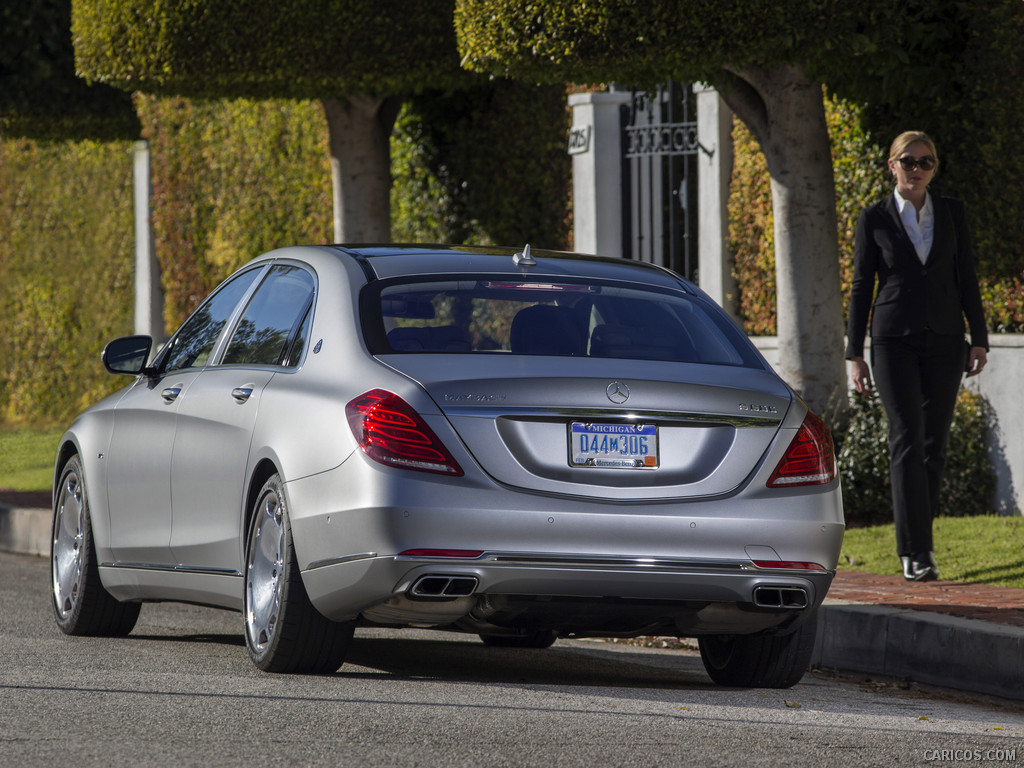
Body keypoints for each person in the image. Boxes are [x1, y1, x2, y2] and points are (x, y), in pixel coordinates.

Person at [845, 130, 988, 582]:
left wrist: (979, 337)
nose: (918, 169)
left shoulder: (951, 212)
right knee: (906, 437)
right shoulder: (874, 219)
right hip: (893, 342)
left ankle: (920, 544)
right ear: (893, 165)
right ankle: (915, 551)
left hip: (946, 339)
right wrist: (854, 352)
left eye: (926, 162)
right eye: (909, 161)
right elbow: (860, 287)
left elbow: (966, 277)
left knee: (934, 446)